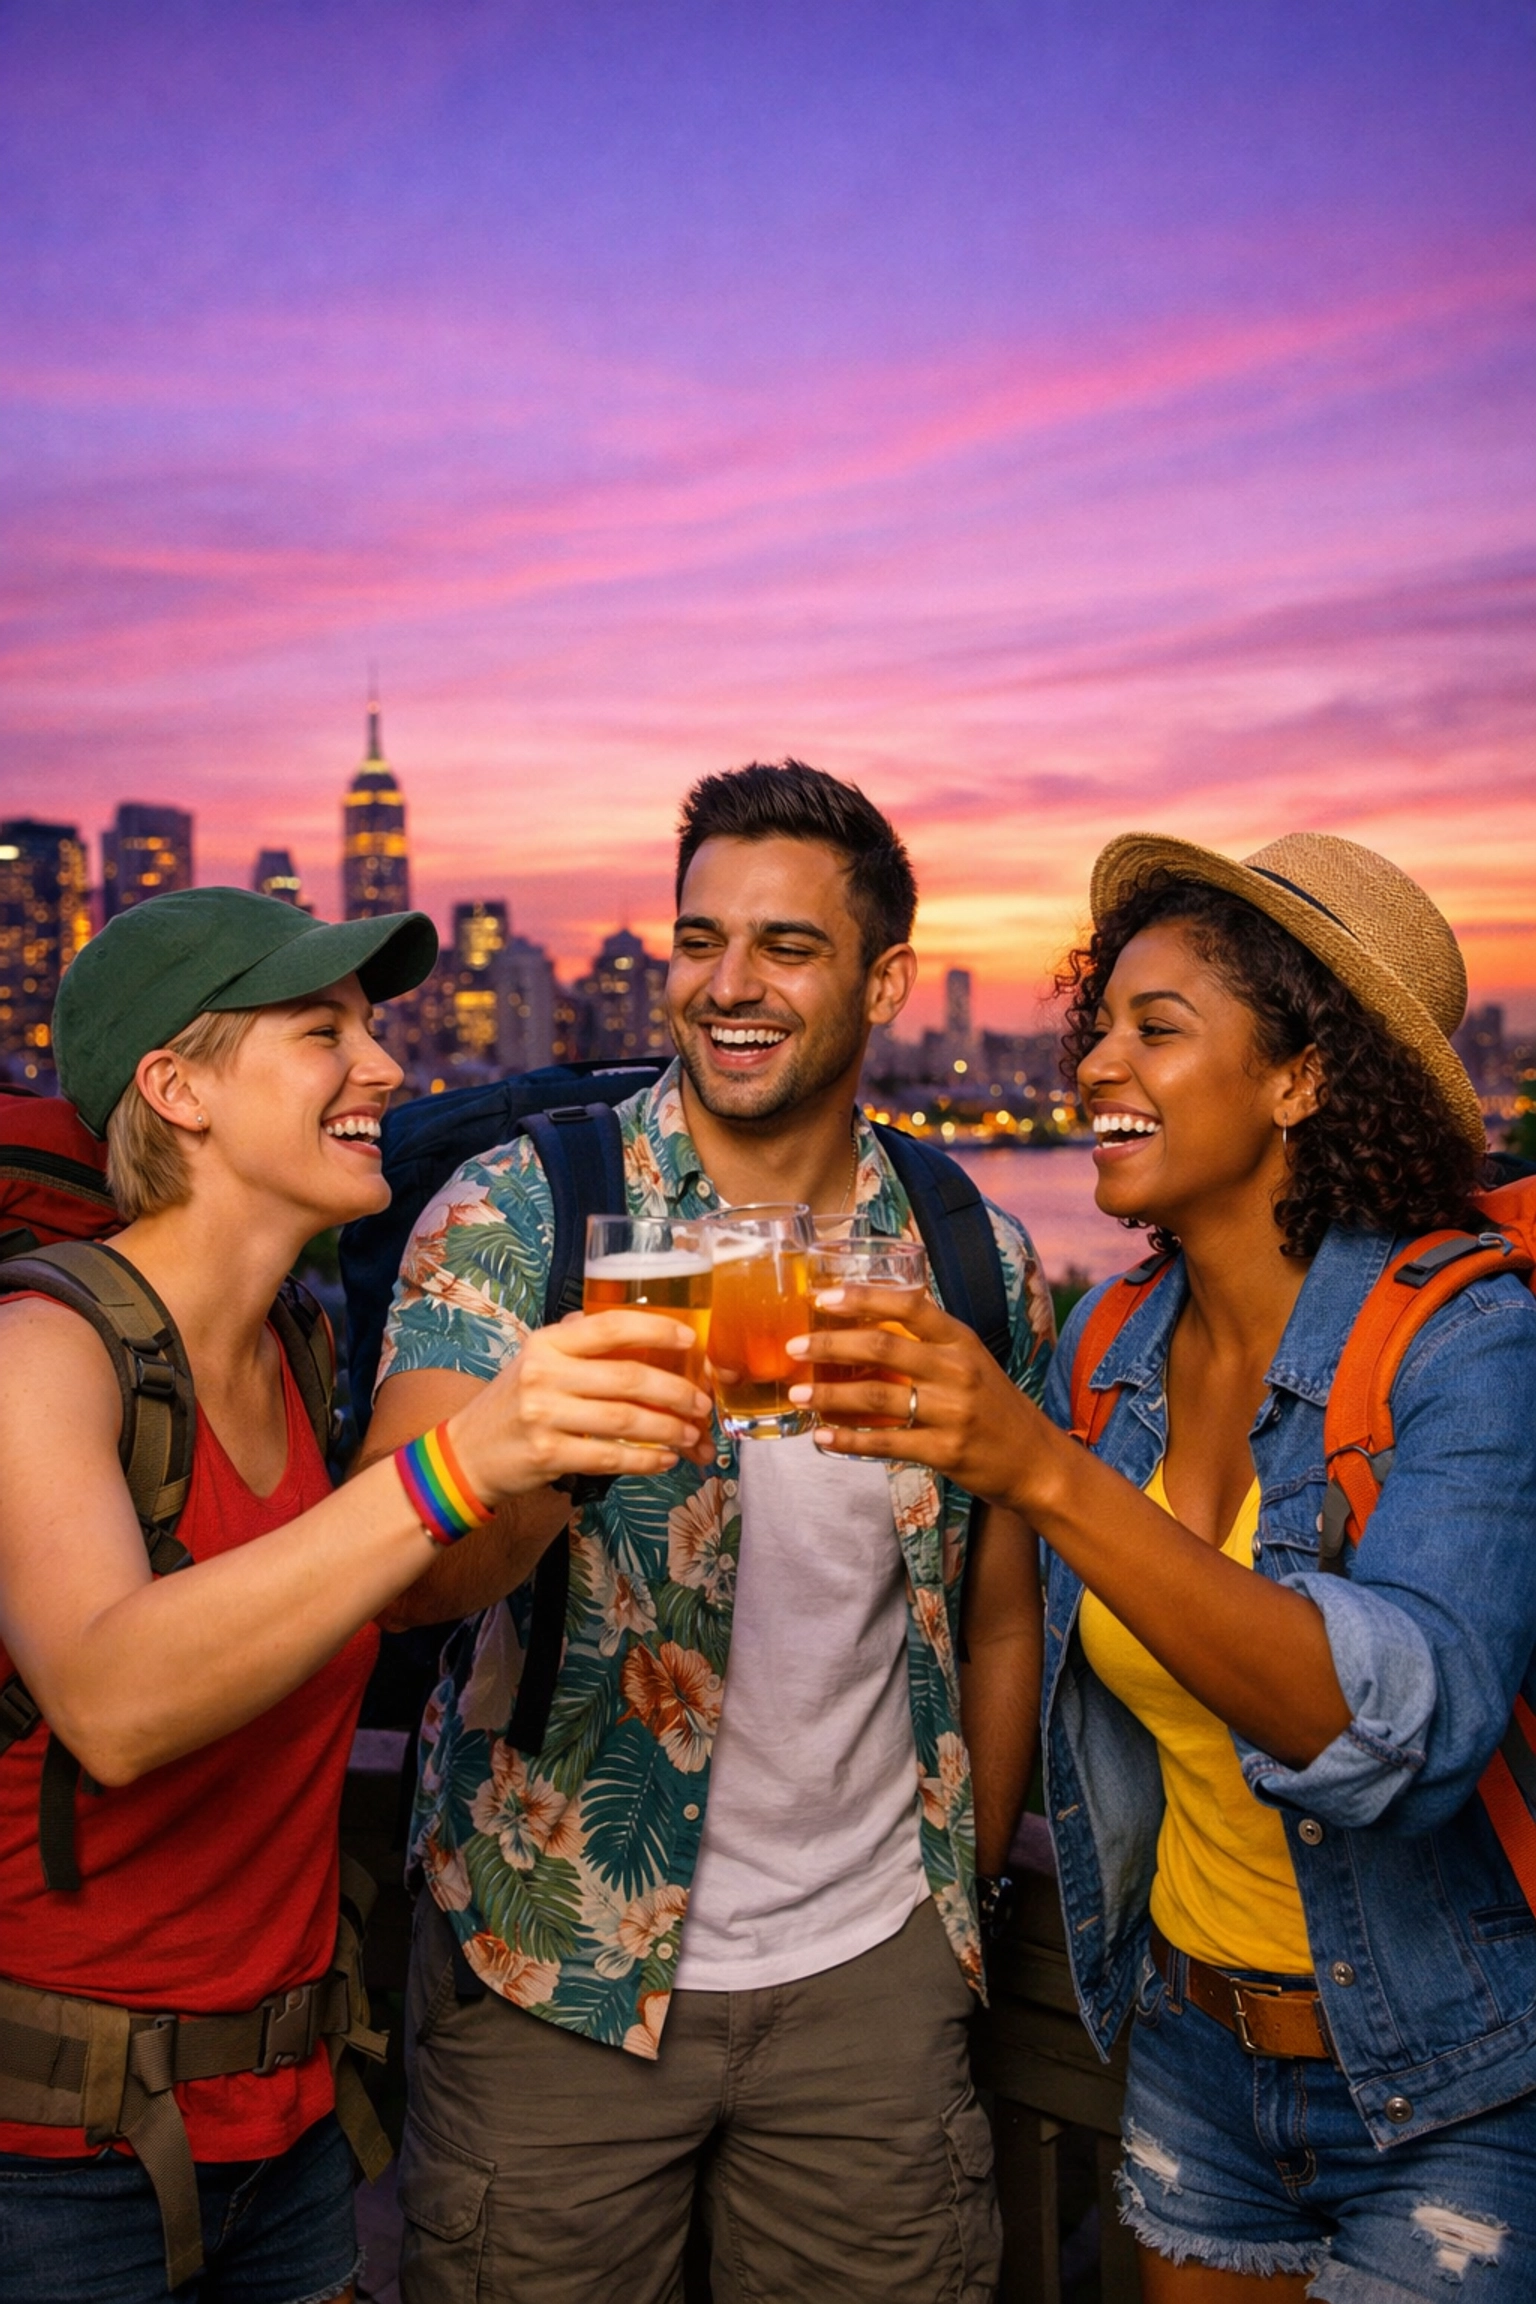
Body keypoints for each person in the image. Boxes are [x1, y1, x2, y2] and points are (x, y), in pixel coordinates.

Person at [797, 831, 1536, 2303]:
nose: (1095, 1070)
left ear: (1300, 1078)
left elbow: (1405, 1730)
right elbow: (1019, 1642)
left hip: (1451, 2087)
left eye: (1158, 1030)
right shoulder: (1106, 1350)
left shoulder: (1471, 1344)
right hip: (1191, 2059)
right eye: (1101, 1028)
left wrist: (1043, 1473)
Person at [360, 760, 1055, 2304]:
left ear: (884, 981)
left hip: (876, 1978)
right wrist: (547, 1445)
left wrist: (964, 1891)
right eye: (697, 942)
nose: (726, 988)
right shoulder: (524, 1211)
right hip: (554, 1969)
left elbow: (1001, 1608)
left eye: (785, 949)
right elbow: (411, 1575)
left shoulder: (974, 1254)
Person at [0, 887, 711, 2304]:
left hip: (296, 2125)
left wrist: (560, 1461)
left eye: (374, 1028)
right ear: (176, 1088)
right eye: (323, 1031)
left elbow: (365, 1600)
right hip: (55, 2166)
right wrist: (467, 1458)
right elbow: (113, 1702)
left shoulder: (297, 1346)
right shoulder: (40, 1353)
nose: (385, 1067)